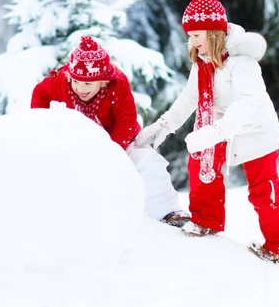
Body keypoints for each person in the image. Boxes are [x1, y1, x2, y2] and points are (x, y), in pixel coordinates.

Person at [134, 0, 279, 266]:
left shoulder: (242, 62)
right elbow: (189, 97)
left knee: (263, 192)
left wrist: (216, 132)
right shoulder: (203, 61)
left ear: (213, 31)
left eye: (197, 34)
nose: (193, 41)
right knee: (200, 165)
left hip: (256, 132)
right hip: (219, 127)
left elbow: (248, 101)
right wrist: (162, 126)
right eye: (190, 36)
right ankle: (206, 220)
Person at [31, 35, 190, 228]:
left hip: (118, 141)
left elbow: (127, 121)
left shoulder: (117, 84)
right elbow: (40, 92)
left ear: (103, 81)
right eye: (76, 81)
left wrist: (111, 151)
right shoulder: (61, 81)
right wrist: (41, 123)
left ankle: (167, 211)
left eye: (88, 83)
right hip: (77, 141)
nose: (80, 88)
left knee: (147, 162)